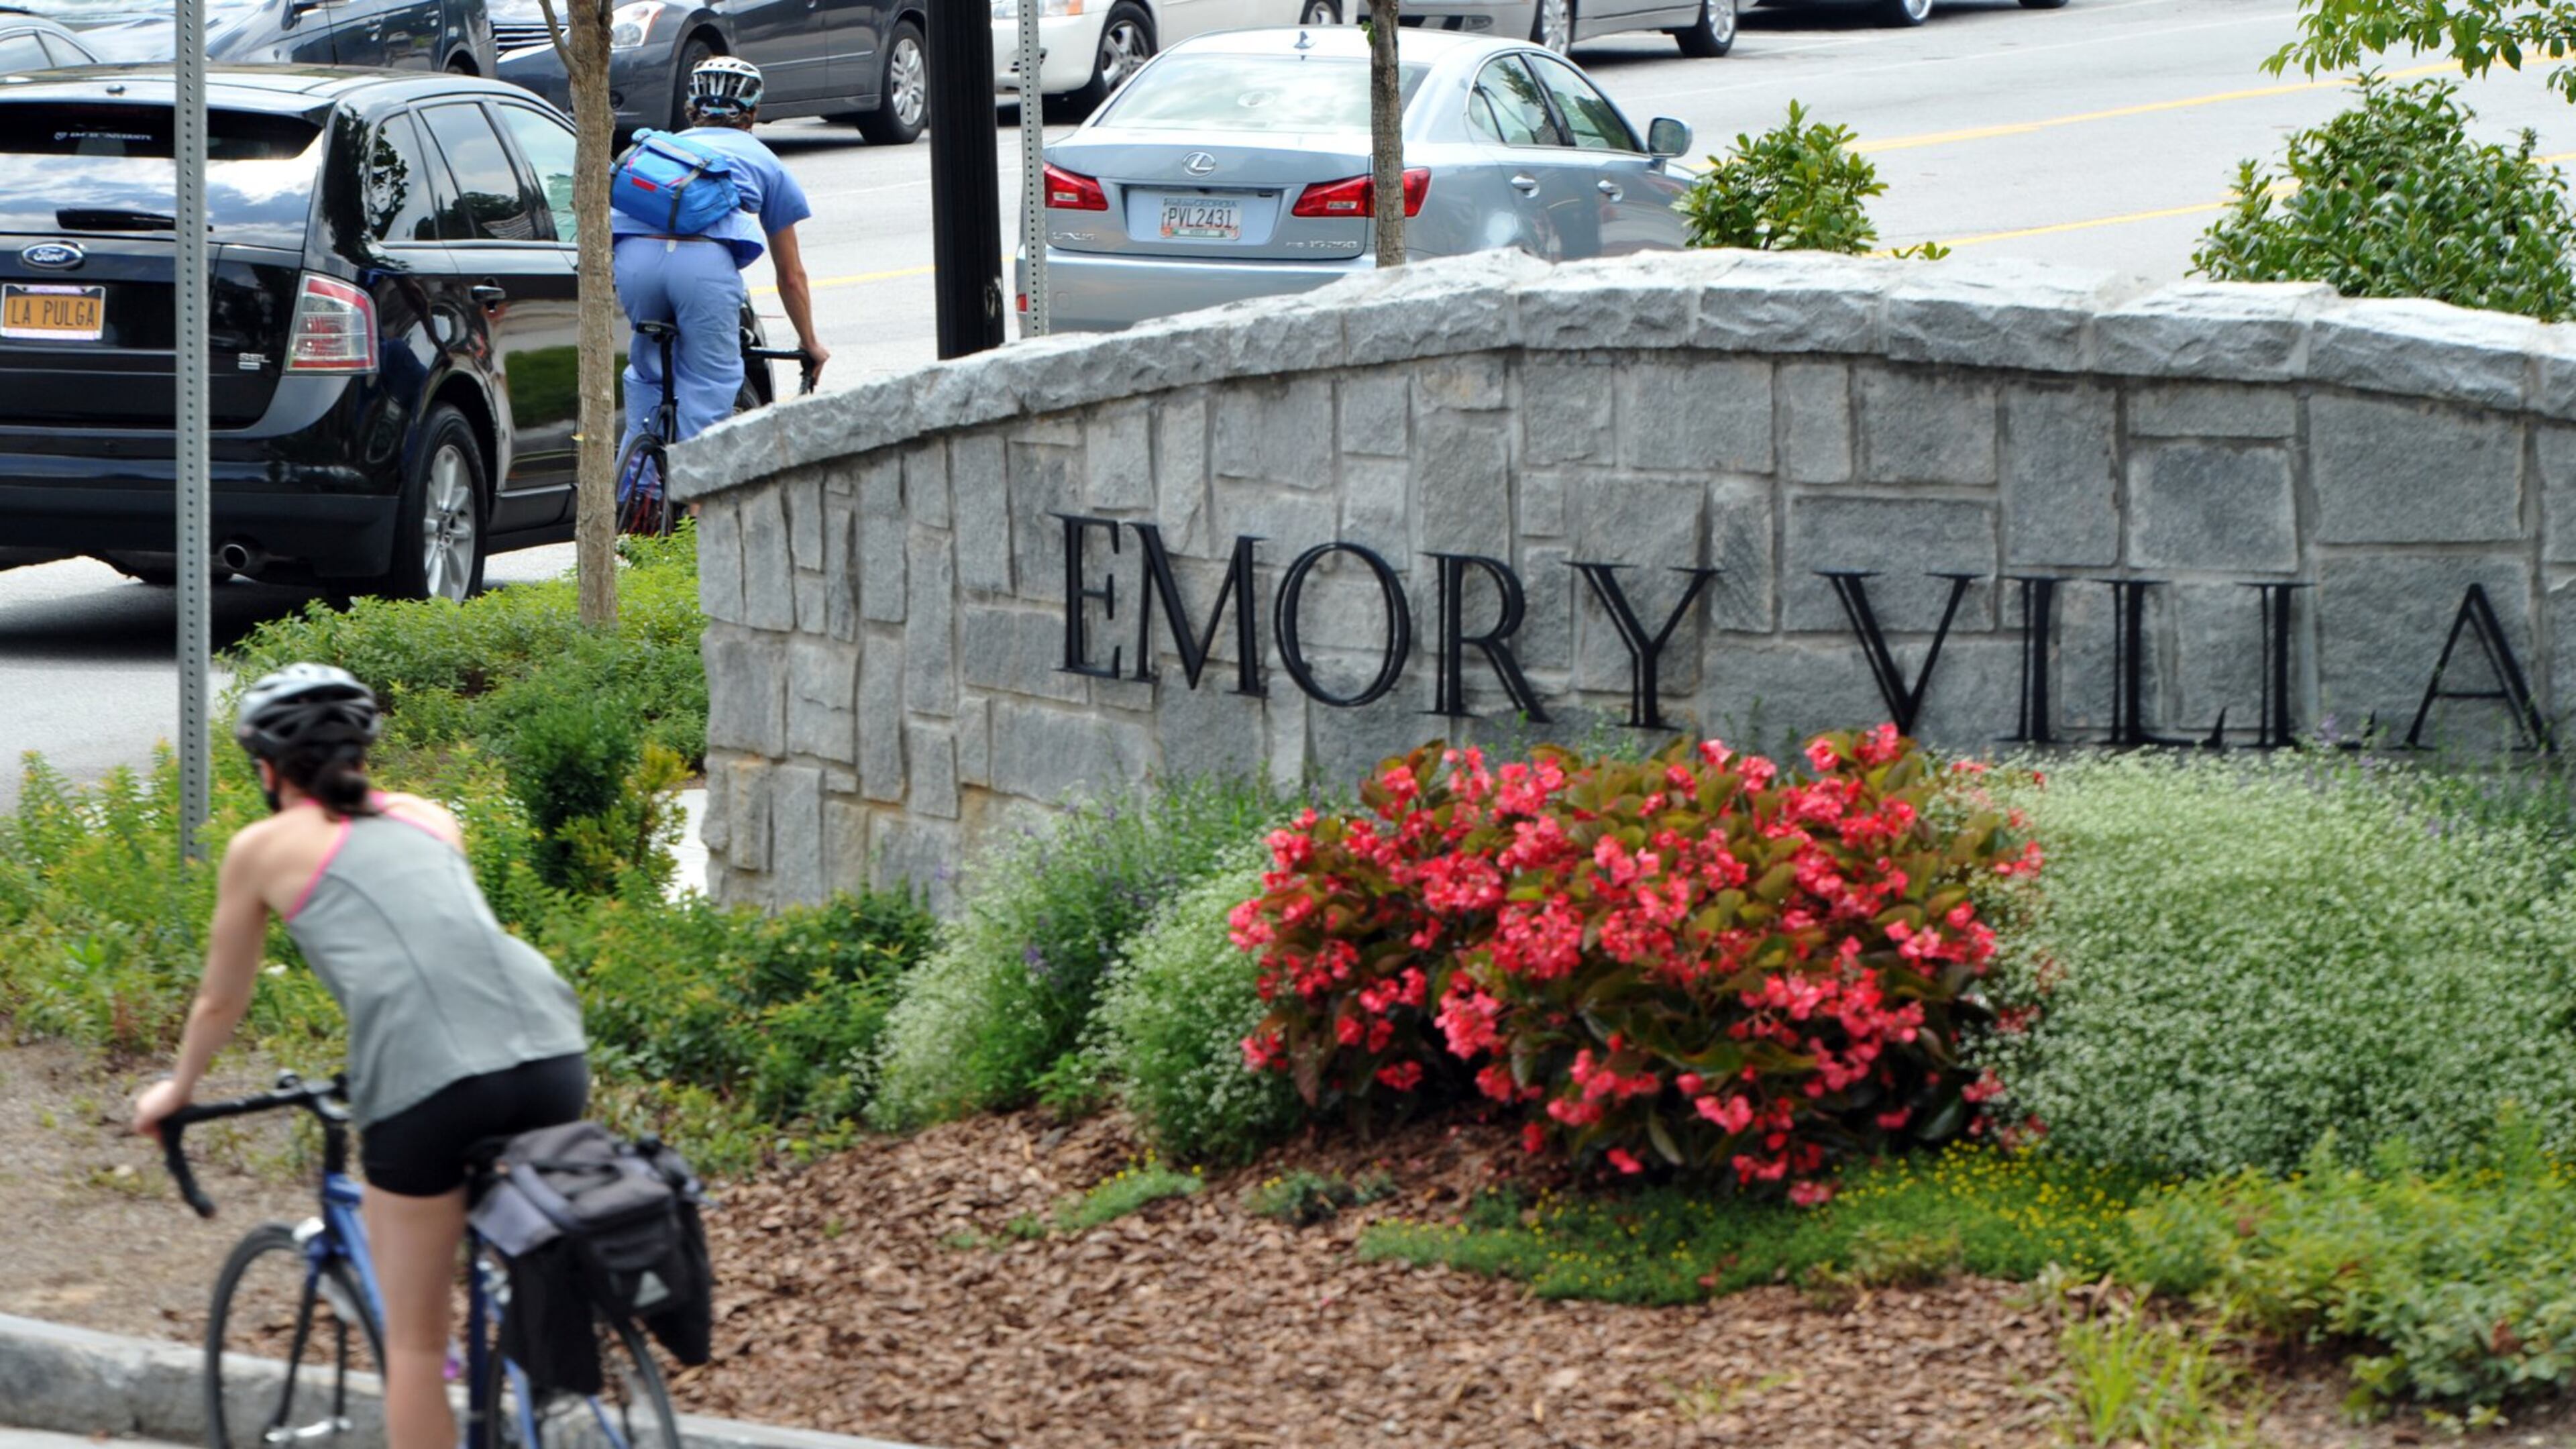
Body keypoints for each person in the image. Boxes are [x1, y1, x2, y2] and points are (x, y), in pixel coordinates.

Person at [131, 664, 589, 1449]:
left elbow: (220, 1001)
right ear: (364, 751)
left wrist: (177, 1089)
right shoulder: (432, 816)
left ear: (268, 770)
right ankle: (535, 1360)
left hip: (430, 1079)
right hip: (553, 1051)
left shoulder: (261, 847)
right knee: (497, 1230)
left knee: (413, 1344)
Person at [614, 54, 829, 449]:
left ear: (690, 108)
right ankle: (697, 508)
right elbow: (791, 275)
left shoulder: (664, 148)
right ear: (752, 113)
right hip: (702, 267)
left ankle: (636, 497)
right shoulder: (767, 163)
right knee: (710, 385)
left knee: (646, 380)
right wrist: (809, 341)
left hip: (634, 262)